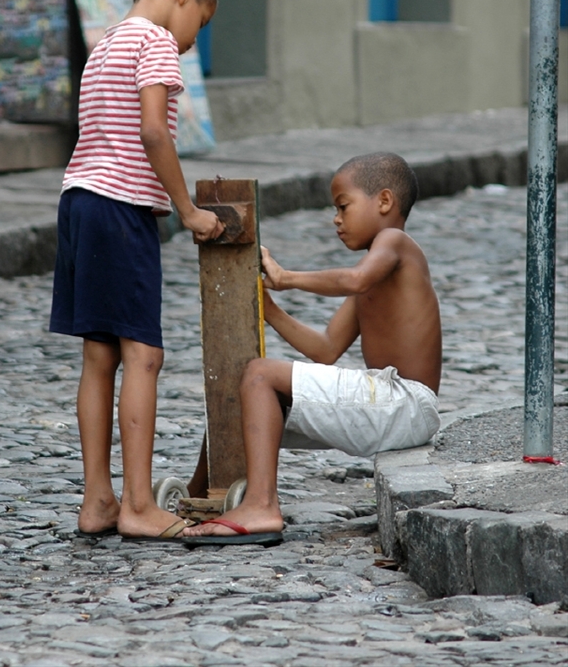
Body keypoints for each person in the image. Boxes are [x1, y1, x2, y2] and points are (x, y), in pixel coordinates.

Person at [49, 0, 223, 541]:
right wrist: (188, 210)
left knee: (99, 358)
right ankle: (140, 505)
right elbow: (153, 131)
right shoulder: (152, 43)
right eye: (197, 26)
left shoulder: (105, 44)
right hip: (122, 211)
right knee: (143, 356)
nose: (191, 44)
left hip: (79, 202)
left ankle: (98, 499)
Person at [182, 152, 442, 543]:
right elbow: (324, 349)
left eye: (343, 206)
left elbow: (354, 279)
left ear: (384, 202)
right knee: (237, 396)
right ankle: (196, 497)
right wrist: (267, 307)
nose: (336, 219)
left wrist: (286, 278)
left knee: (259, 373)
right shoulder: (373, 280)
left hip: (404, 402)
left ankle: (261, 504)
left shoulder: (396, 243)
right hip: (390, 406)